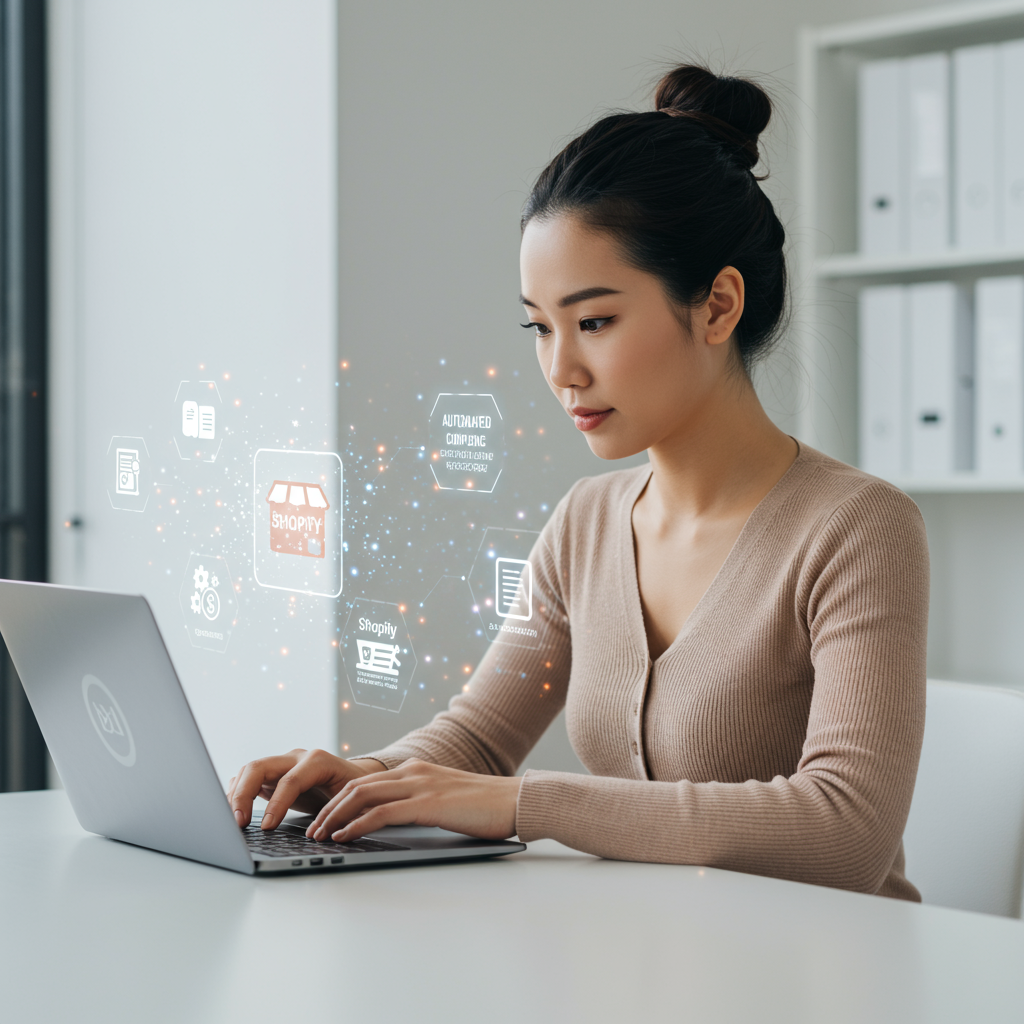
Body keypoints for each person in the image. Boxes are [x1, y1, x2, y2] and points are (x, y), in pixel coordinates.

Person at [228, 65, 929, 900]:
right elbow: (479, 741)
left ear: (716, 307)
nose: (561, 369)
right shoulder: (587, 522)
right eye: (539, 326)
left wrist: (529, 805)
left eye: (594, 321)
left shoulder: (857, 528)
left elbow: (845, 831)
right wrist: (363, 777)